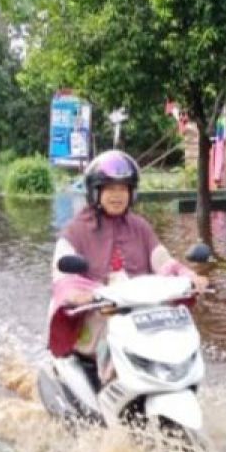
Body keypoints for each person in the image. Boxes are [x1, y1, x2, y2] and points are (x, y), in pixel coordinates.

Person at [49, 150, 208, 372]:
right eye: (110, 188)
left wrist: (189, 276)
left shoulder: (140, 227)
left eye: (123, 188)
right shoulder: (75, 231)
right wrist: (80, 295)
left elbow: (162, 260)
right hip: (97, 313)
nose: (117, 195)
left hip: (141, 312)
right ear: (95, 192)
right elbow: (63, 277)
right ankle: (103, 381)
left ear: (131, 192)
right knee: (108, 332)